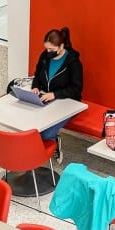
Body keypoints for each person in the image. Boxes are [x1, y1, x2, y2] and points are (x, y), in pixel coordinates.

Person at [31, 26, 83, 159]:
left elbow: (76, 89)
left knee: (46, 133)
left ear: (61, 46)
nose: (48, 52)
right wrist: (35, 86)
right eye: (47, 49)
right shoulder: (45, 56)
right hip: (46, 98)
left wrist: (55, 95)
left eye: (51, 50)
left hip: (68, 102)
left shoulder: (73, 62)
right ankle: (35, 151)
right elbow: (37, 75)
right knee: (30, 126)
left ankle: (53, 145)